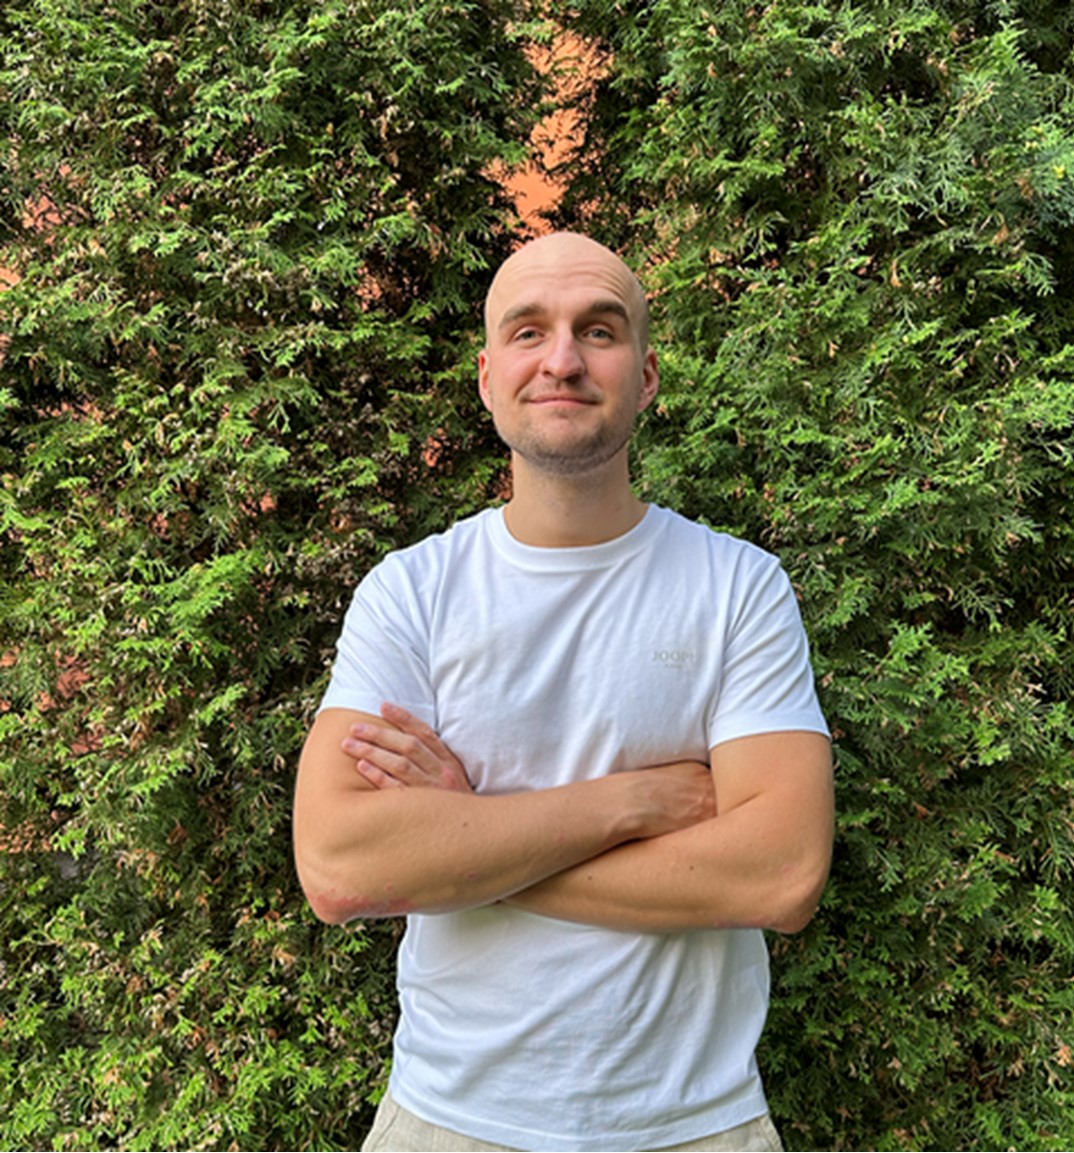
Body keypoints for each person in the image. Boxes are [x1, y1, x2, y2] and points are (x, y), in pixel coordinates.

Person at [293, 231, 835, 1153]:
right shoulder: (412, 591)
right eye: (528, 331)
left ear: (647, 376)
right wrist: (633, 804)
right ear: (486, 376)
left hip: (696, 1126)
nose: (562, 360)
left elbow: (781, 874)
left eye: (600, 330)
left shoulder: (738, 587)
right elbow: (341, 867)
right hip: (448, 1122)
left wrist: (466, 843)